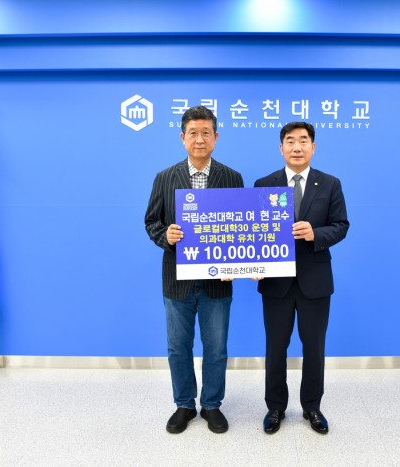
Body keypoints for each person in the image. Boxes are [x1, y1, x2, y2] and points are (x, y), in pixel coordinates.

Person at [145, 105, 244, 434]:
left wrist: (238, 263)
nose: (199, 139)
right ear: (182, 137)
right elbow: (151, 221)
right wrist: (167, 236)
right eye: (193, 133)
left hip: (218, 280)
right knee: (178, 347)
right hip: (177, 280)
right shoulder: (165, 177)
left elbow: (241, 228)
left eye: (206, 133)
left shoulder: (232, 178)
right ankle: (185, 404)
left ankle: (212, 404)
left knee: (216, 348)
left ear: (216, 136)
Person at [254, 122, 349, 435]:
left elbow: (341, 225)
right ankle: (275, 407)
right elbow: (254, 230)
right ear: (281, 147)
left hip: (315, 281)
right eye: (290, 141)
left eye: (303, 141)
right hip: (276, 282)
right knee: (275, 348)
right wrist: (246, 264)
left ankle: (312, 407)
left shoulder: (330, 183)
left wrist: (315, 233)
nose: (297, 147)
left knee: (314, 348)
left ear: (313, 147)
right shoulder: (264, 184)